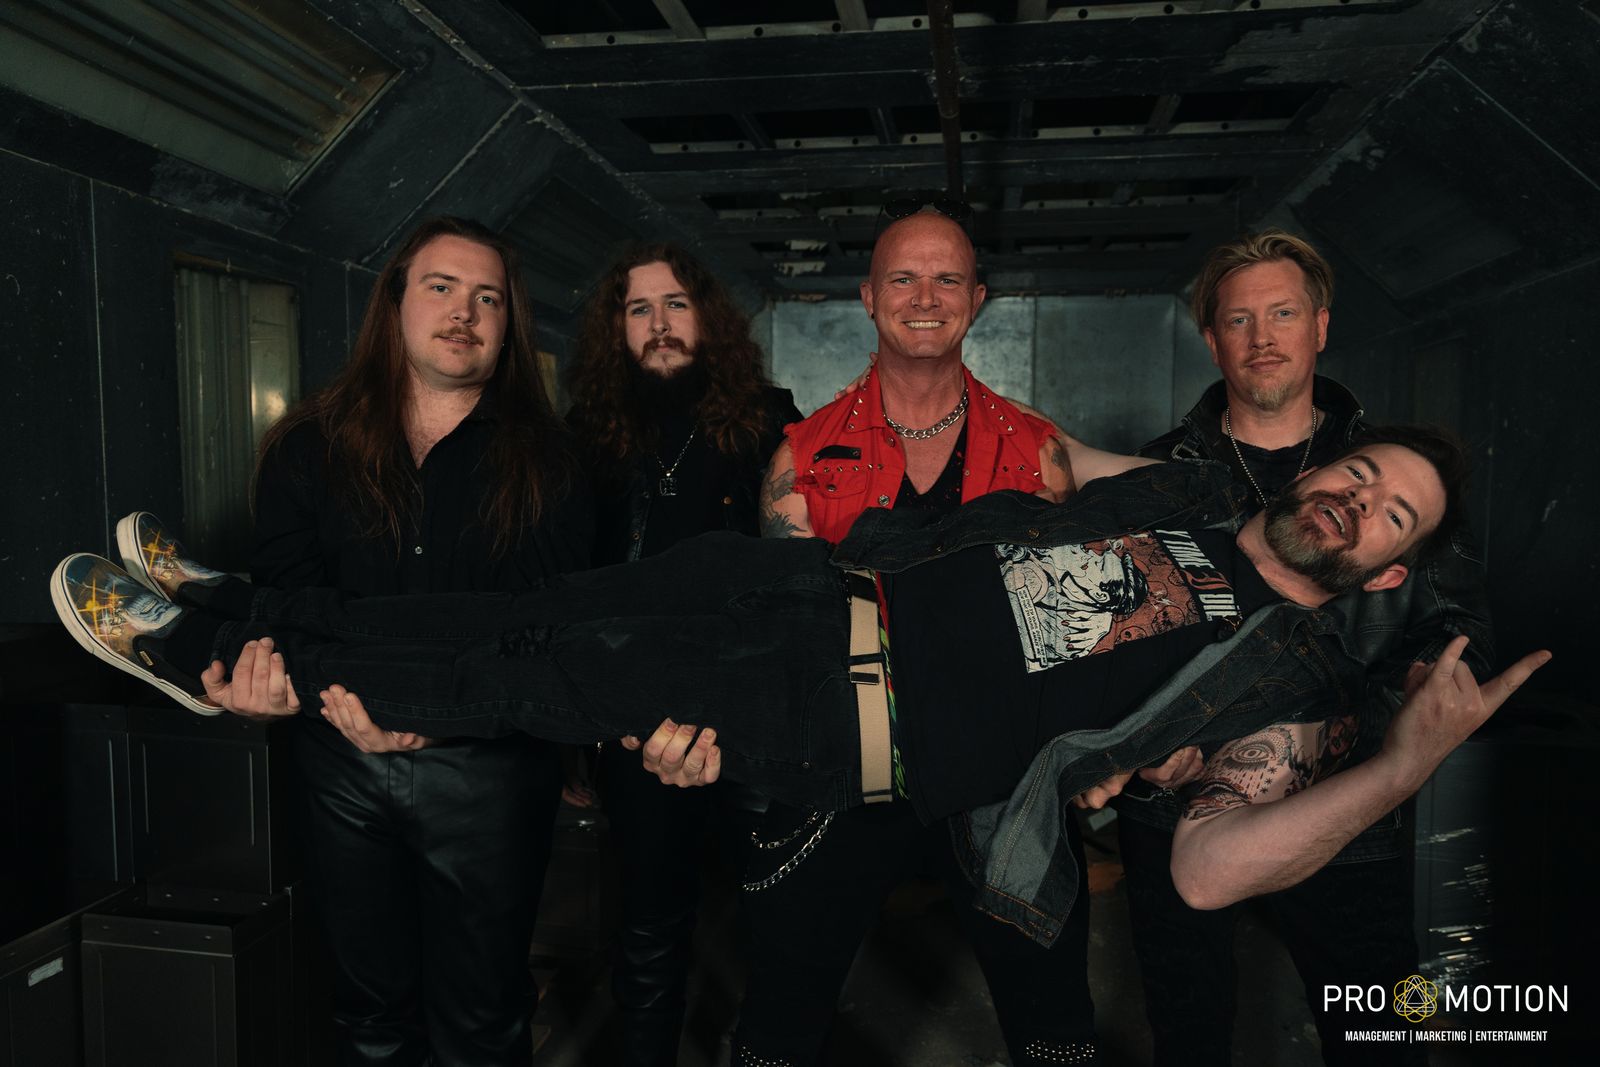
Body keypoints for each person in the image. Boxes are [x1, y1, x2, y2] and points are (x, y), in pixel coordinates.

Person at [52, 432, 1546, 971]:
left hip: (837, 716)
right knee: (513, 608)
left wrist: (1406, 762)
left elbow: (1213, 870)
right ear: (1318, 468)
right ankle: (246, 600)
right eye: (1361, 473)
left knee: (517, 676)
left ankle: (198, 662)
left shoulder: (1293, 681)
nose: (1357, 501)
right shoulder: (1192, 491)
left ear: (1387, 568)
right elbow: (1041, 455)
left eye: (1393, 515)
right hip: (804, 584)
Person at [742, 200, 1156, 1067]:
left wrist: (1101, 744)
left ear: (976, 299)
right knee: (779, 1024)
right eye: (903, 277)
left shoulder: (1038, 454)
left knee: (1055, 1027)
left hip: (1003, 778)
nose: (925, 297)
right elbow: (783, 646)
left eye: (947, 278)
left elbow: (1075, 630)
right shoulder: (801, 461)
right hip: (846, 770)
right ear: (868, 297)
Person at [177, 215, 591, 1065]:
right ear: (395, 301)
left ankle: (187, 605)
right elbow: (292, 605)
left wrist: (434, 716)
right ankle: (184, 616)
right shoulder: (307, 448)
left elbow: (545, 632)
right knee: (368, 1021)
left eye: (488, 298)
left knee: (483, 1023)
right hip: (340, 761)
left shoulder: (553, 462)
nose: (464, 312)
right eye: (441, 287)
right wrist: (258, 684)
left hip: (488, 768)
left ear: (509, 324)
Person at [1115, 229, 1493, 1066]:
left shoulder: (1397, 472)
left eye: (1283, 313)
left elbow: (1460, 632)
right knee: (1188, 1030)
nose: (1262, 337)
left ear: (1320, 325)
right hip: (1171, 801)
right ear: (1211, 339)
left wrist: (1393, 714)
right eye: (1239, 319)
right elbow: (1121, 629)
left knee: (1380, 1032)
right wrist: (1144, 740)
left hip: (1346, 813)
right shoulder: (1162, 470)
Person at [566, 242, 799, 1065]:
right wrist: (577, 729)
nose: (659, 323)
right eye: (639, 308)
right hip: (640, 720)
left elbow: (806, 569)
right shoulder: (586, 439)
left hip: (754, 713)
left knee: (780, 920)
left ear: (707, 319)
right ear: (617, 329)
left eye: (676, 304)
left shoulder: (770, 422)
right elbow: (567, 590)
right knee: (649, 926)